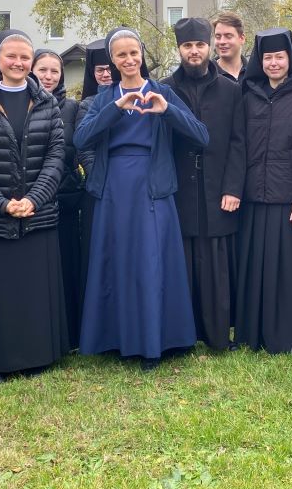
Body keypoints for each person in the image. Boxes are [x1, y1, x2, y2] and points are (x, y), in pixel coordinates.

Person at [74, 28, 209, 370]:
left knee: (150, 262)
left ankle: (154, 342)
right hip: (114, 190)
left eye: (134, 53)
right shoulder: (105, 98)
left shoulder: (163, 92)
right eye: (121, 55)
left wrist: (167, 111)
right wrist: (117, 108)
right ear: (112, 60)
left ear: (142, 54)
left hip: (153, 186)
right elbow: (81, 139)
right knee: (118, 261)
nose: (129, 60)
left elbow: (201, 136)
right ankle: (116, 339)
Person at [0, 29, 68, 382]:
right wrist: (2, 203)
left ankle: (38, 356)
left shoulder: (47, 103)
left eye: (25, 57)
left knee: (33, 290)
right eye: (12, 56)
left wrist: (34, 199)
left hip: (38, 215)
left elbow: (56, 156)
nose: (19, 63)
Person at [235, 28, 292, 353]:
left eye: (279, 57)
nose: (273, 63)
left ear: (289, 59)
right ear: (260, 60)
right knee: (254, 269)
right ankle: (251, 334)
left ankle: (287, 337)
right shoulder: (248, 97)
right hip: (254, 199)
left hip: (289, 200)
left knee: (286, 274)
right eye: (267, 57)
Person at [162, 18, 246, 351]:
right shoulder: (164, 87)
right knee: (181, 260)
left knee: (215, 265)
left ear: (209, 46)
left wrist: (233, 188)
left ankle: (216, 335)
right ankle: (184, 334)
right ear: (179, 49)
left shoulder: (230, 89)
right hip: (180, 188)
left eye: (199, 45)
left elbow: (240, 143)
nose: (194, 52)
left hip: (218, 188)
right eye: (187, 46)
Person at [32, 48, 89, 346]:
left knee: (67, 269)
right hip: (32, 203)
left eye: (55, 71)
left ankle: (70, 335)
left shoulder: (72, 108)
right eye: (43, 70)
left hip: (65, 202)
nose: (49, 76)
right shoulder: (20, 105)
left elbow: (79, 149)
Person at [77, 39, 113, 304]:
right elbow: (84, 148)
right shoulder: (87, 104)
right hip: (99, 188)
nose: (105, 74)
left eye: (109, 68)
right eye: (99, 70)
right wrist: (97, 175)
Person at [212, 11, 248, 83]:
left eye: (228, 36)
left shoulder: (254, 74)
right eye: (218, 37)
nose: (222, 42)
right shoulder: (207, 75)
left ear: (242, 38)